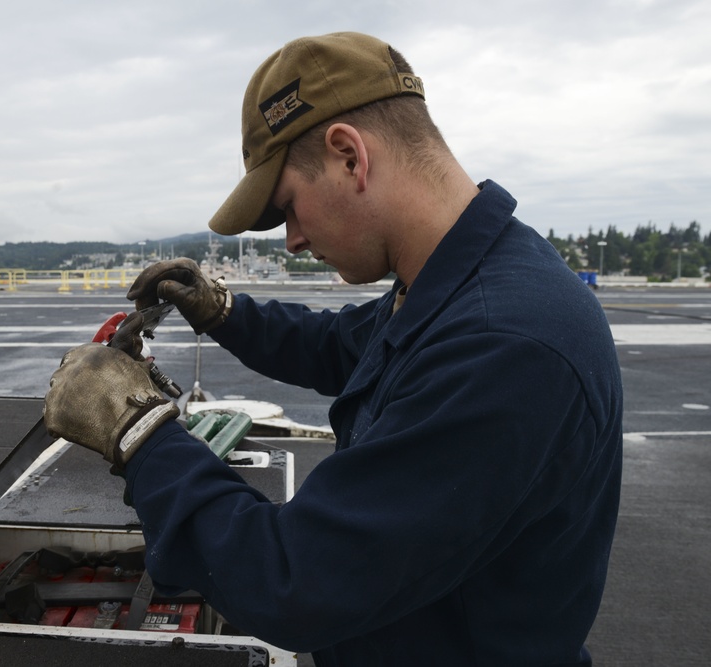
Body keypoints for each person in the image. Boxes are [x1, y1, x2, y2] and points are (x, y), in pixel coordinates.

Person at [44, 32, 623, 666]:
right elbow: (339, 345)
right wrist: (221, 310)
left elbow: (295, 581)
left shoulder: (503, 346)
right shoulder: (457, 285)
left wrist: (137, 430)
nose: (292, 239)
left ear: (350, 156)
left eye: (289, 207)